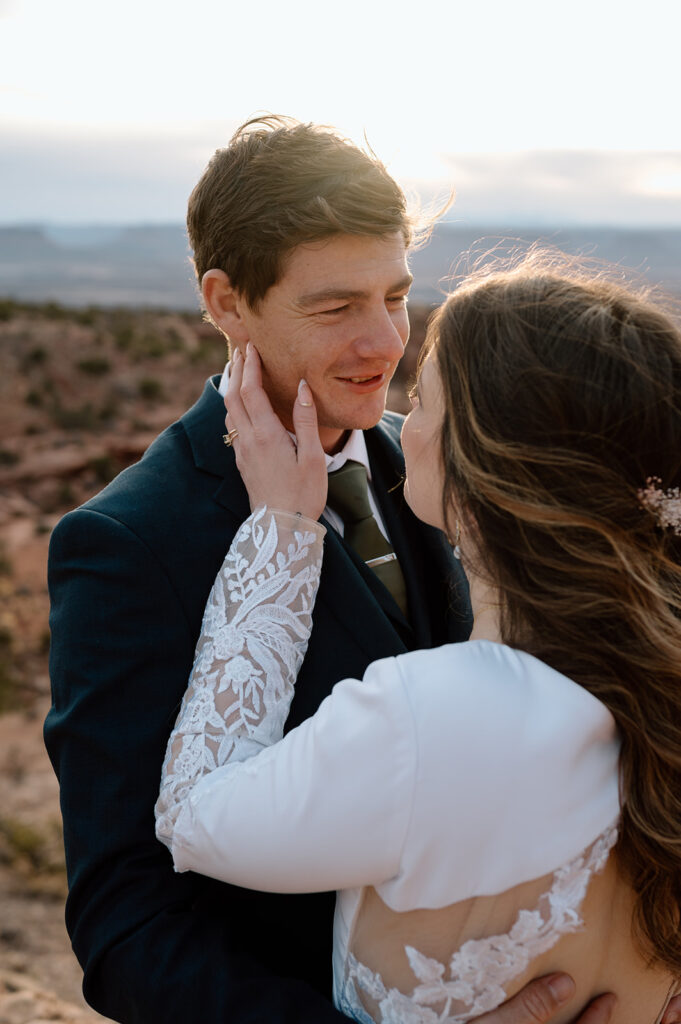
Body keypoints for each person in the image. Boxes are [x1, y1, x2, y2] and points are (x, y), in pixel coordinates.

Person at [46, 114, 630, 1024]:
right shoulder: (129, 542)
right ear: (226, 302)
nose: (385, 343)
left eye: (394, 295)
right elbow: (129, 927)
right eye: (334, 308)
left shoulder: (452, 467)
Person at [155, 255, 681, 1022]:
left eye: (423, 400)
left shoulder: (433, 716)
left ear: (486, 467)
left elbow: (195, 817)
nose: (400, 423)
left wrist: (281, 530)